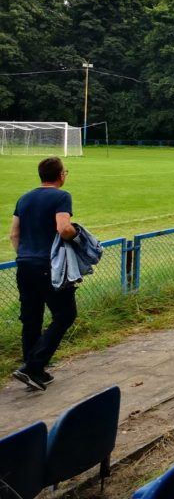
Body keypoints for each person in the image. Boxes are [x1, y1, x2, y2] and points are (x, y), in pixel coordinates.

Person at [11, 157, 78, 391]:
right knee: (66, 314)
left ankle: (34, 371)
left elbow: (14, 234)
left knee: (31, 318)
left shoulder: (24, 198)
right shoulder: (62, 196)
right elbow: (63, 228)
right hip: (50, 266)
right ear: (61, 175)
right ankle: (32, 366)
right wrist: (77, 238)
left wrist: (24, 256)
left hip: (24, 264)